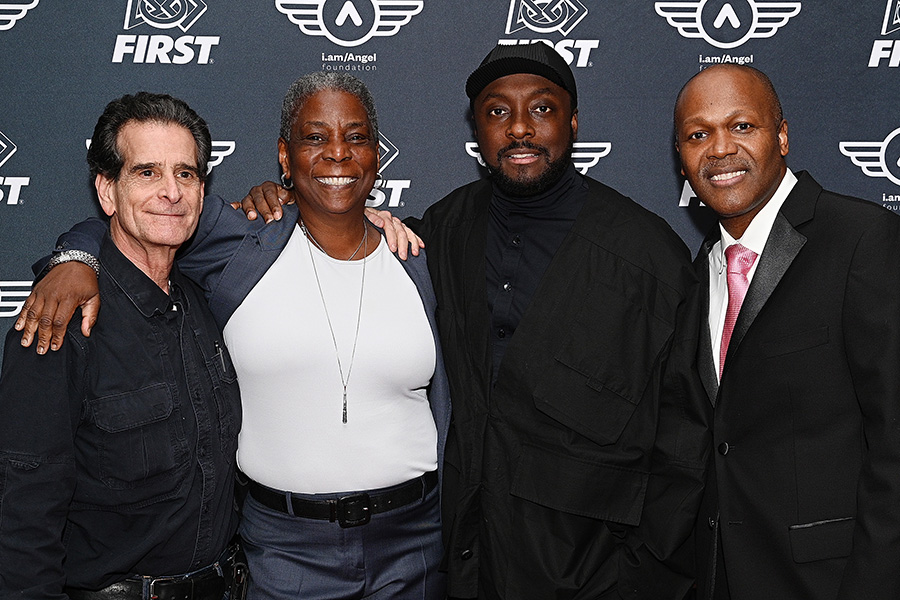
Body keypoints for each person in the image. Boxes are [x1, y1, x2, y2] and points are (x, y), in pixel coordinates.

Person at [241, 43, 710, 599]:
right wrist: (282, 198)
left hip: (595, 574)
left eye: (541, 109)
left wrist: (642, 576)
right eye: (496, 112)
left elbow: (685, 442)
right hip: (461, 568)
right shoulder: (442, 231)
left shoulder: (648, 255)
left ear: (573, 122)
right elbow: (342, 228)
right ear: (477, 129)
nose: (518, 129)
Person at [17, 73, 449, 600]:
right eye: (314, 137)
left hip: (415, 541)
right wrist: (73, 257)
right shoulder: (239, 246)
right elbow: (133, 227)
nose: (337, 153)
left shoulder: (418, 257)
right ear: (284, 159)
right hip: (284, 548)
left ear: (377, 156)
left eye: (356, 137)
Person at [0, 93, 245, 600]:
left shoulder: (206, 300)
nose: (171, 192)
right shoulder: (60, 320)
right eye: (147, 173)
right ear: (107, 192)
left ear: (203, 191)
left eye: (186, 174)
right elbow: (23, 506)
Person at [674, 64, 900, 599]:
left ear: (782, 136)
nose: (720, 148)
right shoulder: (700, 265)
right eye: (698, 134)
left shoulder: (862, 239)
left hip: (829, 580)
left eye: (742, 126)